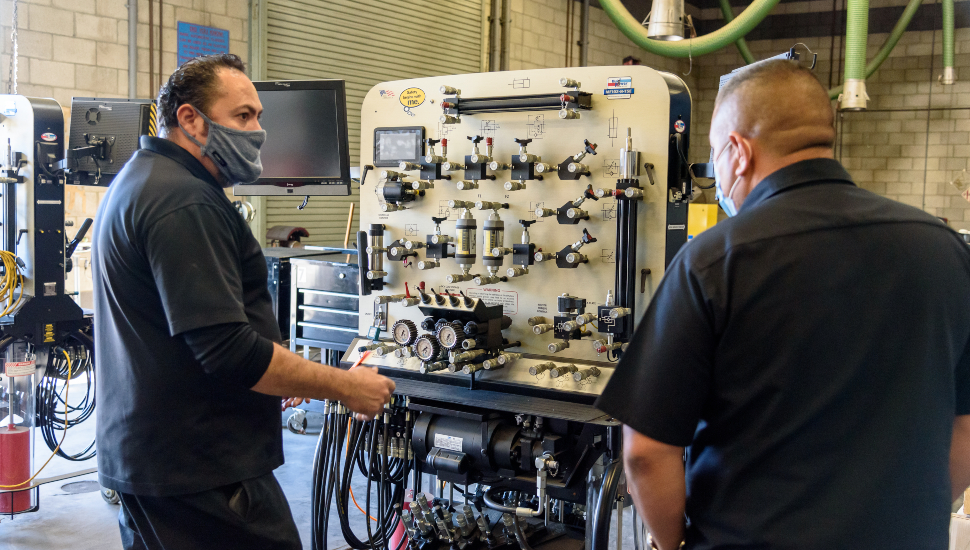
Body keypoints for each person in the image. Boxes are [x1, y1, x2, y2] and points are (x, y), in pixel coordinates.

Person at [596, 59, 970, 550]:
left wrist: (673, 545)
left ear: (737, 151)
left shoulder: (713, 261)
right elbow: (964, 425)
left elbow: (645, 452)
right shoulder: (943, 249)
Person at [92, 54, 395, 550]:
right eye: (242, 117)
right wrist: (343, 387)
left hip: (156, 462)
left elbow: (193, 333)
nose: (258, 132)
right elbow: (227, 350)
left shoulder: (142, 180)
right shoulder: (184, 201)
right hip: (201, 471)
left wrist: (282, 373)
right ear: (190, 119)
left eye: (258, 116)